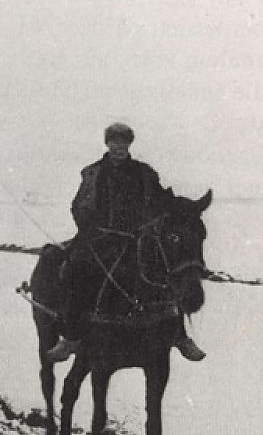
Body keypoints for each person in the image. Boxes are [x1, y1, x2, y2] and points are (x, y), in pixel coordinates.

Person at [47, 122, 206, 362]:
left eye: (123, 143)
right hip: (99, 239)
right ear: (107, 144)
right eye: (114, 142)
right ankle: (71, 338)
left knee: (167, 269)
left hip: (136, 238)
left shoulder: (144, 172)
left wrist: (184, 209)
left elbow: (161, 200)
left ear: (129, 145)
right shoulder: (93, 172)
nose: (118, 147)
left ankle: (179, 336)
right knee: (76, 268)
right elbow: (79, 206)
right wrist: (91, 229)